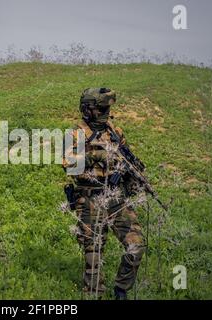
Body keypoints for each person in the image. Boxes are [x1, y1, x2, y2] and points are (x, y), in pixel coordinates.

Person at [63, 88, 146, 300]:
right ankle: (94, 295)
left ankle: (121, 289)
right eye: (101, 108)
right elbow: (69, 165)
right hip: (89, 198)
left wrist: (133, 176)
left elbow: (127, 162)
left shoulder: (115, 132)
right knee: (94, 254)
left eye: (107, 108)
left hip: (117, 198)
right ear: (88, 109)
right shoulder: (75, 134)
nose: (106, 112)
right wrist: (98, 155)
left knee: (136, 245)